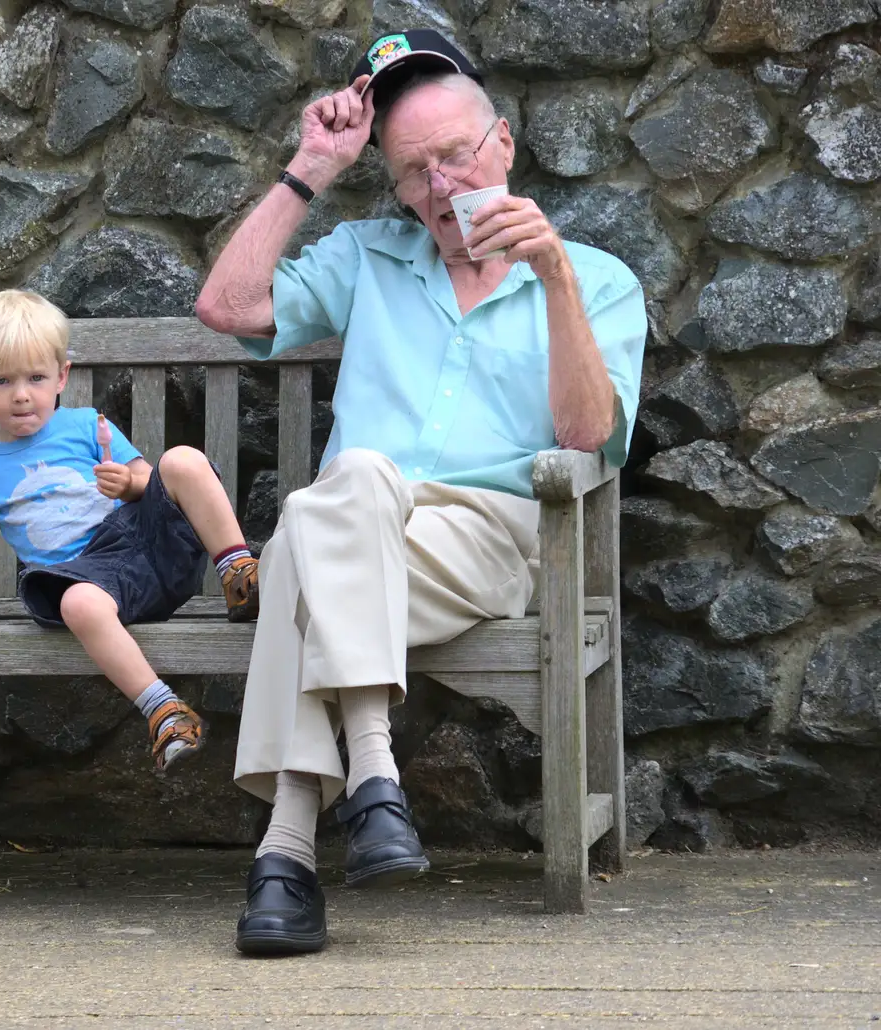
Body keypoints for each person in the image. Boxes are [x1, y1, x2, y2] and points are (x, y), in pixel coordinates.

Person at [194, 29, 645, 954]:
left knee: (301, 549)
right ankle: (353, 800)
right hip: (355, 526)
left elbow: (587, 436)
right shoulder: (369, 256)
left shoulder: (597, 279)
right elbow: (228, 310)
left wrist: (551, 273)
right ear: (392, 185)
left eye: (455, 156)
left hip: (487, 536)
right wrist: (313, 166)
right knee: (350, 486)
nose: (440, 187)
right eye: (412, 170)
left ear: (504, 144)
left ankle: (294, 847)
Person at [0, 290, 261, 774]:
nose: (22, 394)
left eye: (35, 378)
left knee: (182, 461)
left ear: (61, 377)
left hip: (149, 550)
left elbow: (148, 481)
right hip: (91, 578)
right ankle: (164, 712)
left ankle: (239, 573)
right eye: (3, 381)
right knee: (75, 603)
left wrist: (128, 483)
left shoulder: (87, 426)